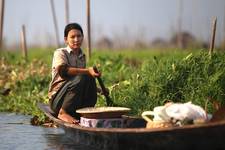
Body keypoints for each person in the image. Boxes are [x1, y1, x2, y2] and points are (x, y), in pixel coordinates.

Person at [48, 23, 101, 124]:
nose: (76, 39)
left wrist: (99, 90)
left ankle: (84, 112)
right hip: (57, 101)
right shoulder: (60, 53)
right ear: (66, 39)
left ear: (82, 37)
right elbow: (63, 72)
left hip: (73, 100)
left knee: (88, 78)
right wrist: (87, 71)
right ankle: (63, 113)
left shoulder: (82, 55)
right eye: (72, 37)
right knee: (84, 75)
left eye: (79, 36)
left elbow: (80, 82)